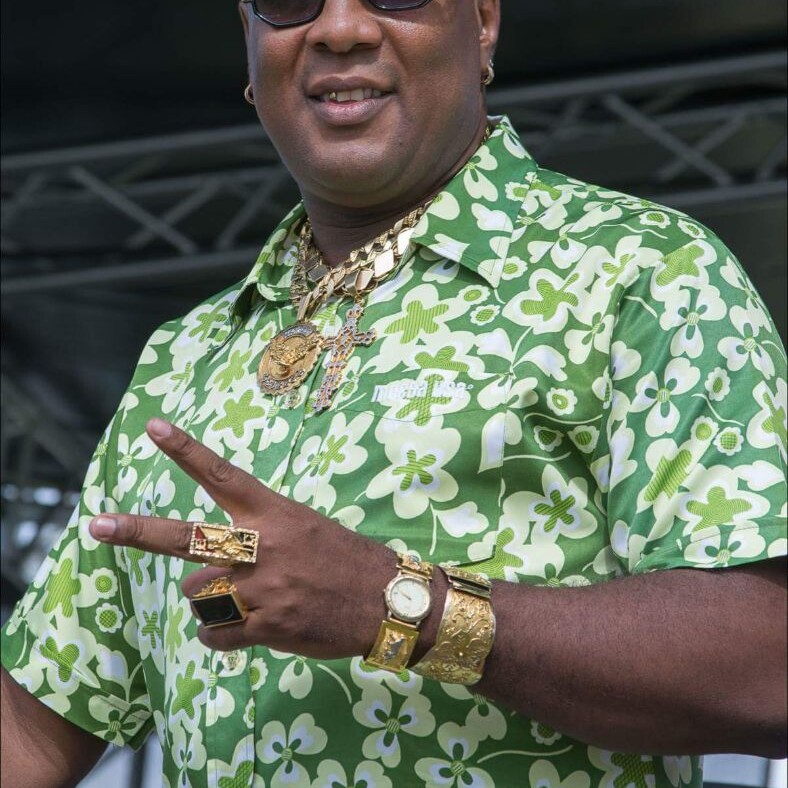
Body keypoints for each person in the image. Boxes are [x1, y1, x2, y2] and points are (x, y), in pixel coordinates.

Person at [2, 0, 786, 785]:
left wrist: (402, 606)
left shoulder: (641, 273)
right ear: (248, 41)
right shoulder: (182, 358)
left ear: (482, 22)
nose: (339, 28)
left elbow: (767, 663)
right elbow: (33, 735)